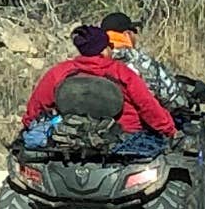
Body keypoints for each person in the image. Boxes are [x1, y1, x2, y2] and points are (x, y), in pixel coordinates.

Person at [23, 24, 177, 139]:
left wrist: (28, 126)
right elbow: (148, 107)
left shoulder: (60, 72)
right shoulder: (122, 73)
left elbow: (37, 105)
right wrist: (170, 131)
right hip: (124, 137)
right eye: (110, 46)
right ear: (103, 50)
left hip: (74, 136)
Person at [99, 11, 189, 113]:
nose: (136, 36)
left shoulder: (94, 58)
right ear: (127, 34)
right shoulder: (139, 62)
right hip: (141, 119)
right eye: (134, 31)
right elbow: (173, 98)